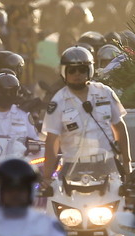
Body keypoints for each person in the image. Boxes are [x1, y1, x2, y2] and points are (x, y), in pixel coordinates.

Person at [40, 47, 129, 195]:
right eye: (72, 71)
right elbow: (51, 142)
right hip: (72, 170)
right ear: (64, 73)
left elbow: (119, 128)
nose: (77, 74)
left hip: (107, 166)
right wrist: (47, 177)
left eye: (82, 70)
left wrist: (127, 165)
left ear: (90, 70)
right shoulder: (58, 101)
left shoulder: (105, 93)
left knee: (118, 210)